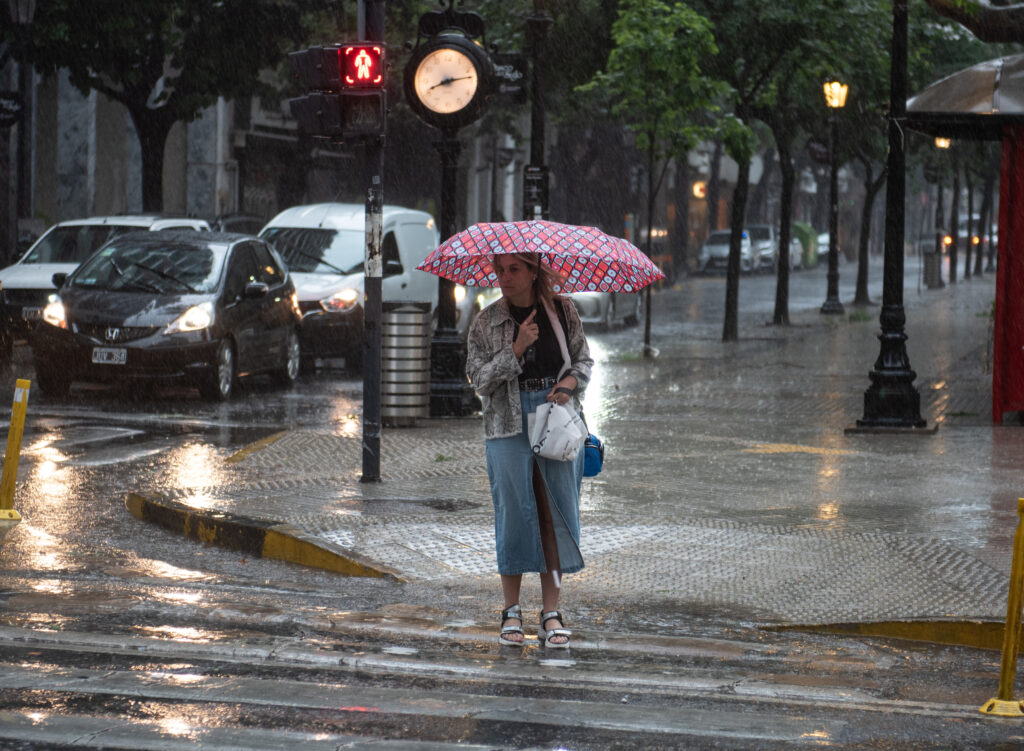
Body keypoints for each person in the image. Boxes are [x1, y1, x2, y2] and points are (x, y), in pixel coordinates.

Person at [466, 252, 593, 648]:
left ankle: (551, 611)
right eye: (499, 270)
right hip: (507, 425)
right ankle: (511, 611)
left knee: (554, 514)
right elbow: (478, 380)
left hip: (554, 417)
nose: (503, 276)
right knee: (514, 514)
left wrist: (569, 386)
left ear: (533, 271)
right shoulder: (487, 321)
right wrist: (516, 349)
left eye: (513, 269)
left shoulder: (562, 311)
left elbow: (584, 361)